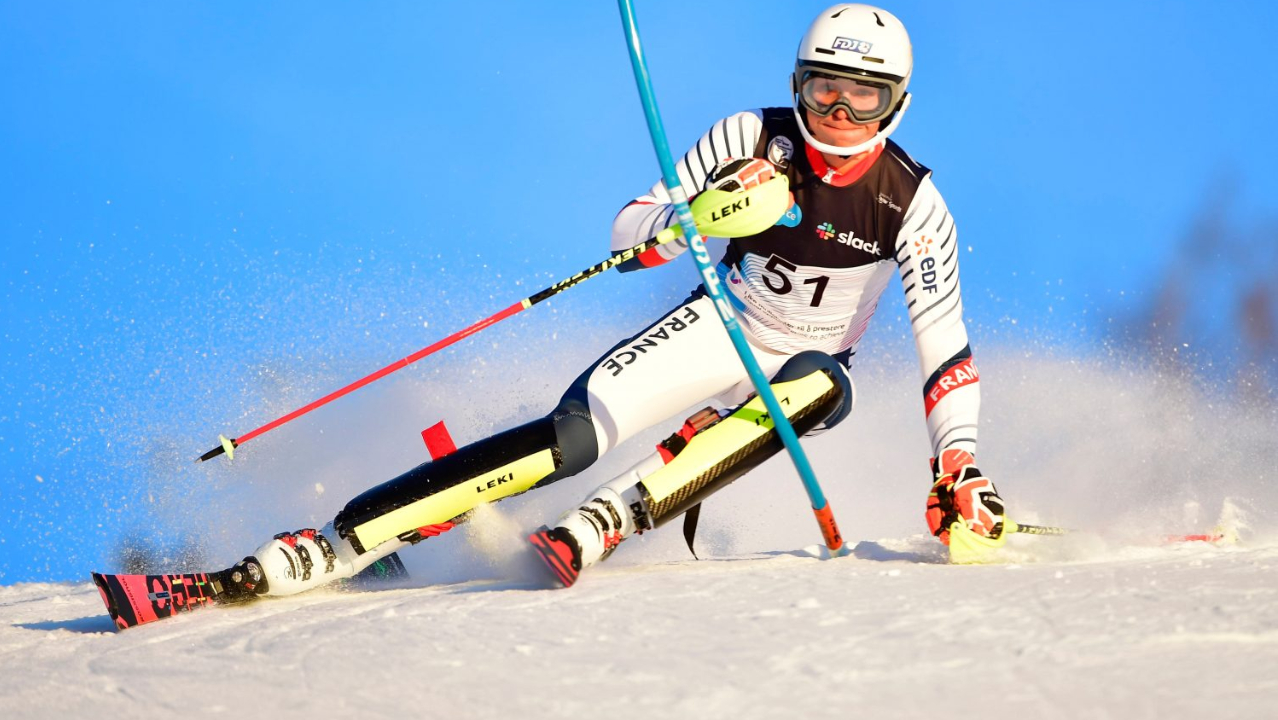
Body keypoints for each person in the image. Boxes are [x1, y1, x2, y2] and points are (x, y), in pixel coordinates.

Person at [229, 3, 1006, 597]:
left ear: (895, 105)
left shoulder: (914, 204)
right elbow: (629, 229)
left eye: (861, 100)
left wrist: (958, 465)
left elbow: (946, 346)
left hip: (805, 364)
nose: (836, 114)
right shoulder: (749, 136)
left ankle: (610, 519)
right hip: (721, 323)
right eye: (822, 89)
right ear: (795, 84)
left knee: (821, 384)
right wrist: (691, 220)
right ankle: (337, 544)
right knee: (572, 437)